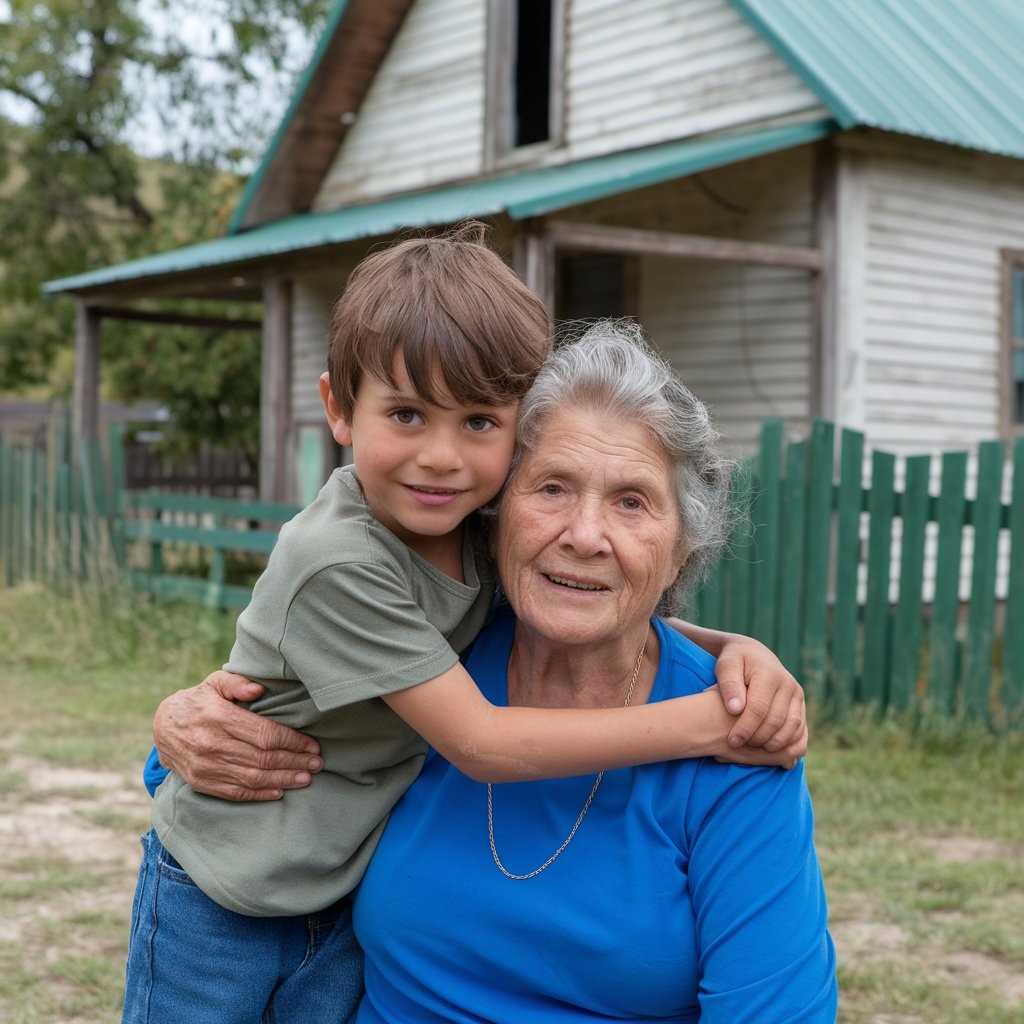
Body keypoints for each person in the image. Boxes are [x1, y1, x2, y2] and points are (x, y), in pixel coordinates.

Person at [124, 228, 808, 1024]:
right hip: (230, 898)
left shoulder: (478, 558)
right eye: (552, 487)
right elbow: (441, 736)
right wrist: (173, 729)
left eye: (630, 501)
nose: (583, 535)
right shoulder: (377, 578)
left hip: (320, 905)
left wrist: (737, 652)